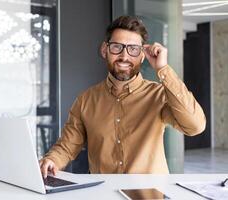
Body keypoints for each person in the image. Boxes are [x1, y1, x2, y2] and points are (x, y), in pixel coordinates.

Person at [39, 16, 206, 178]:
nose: (125, 57)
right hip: (103, 194)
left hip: (150, 196)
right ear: (105, 50)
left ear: (142, 55)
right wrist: (51, 160)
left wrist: (162, 69)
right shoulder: (85, 100)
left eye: (133, 49)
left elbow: (195, 126)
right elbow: (67, 146)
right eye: (117, 47)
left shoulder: (159, 95)